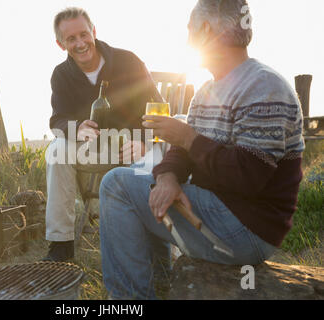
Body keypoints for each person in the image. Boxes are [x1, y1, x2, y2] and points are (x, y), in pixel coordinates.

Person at [99, 0, 305, 299]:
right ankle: (159, 285)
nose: (186, 39)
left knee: (116, 184)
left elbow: (249, 178)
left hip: (248, 227)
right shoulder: (207, 90)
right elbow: (182, 153)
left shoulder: (264, 87)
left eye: (189, 29)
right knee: (146, 183)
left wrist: (187, 137)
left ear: (205, 29)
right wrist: (168, 177)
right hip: (222, 211)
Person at [43, 7, 162, 262]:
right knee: (56, 150)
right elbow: (57, 120)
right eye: (71, 39)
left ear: (94, 32)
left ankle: (159, 245)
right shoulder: (61, 75)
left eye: (84, 34)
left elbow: (158, 107)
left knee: (161, 153)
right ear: (60, 43)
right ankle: (60, 246)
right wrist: (77, 128)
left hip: (135, 149)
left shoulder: (128, 61)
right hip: (97, 149)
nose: (80, 43)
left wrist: (143, 142)